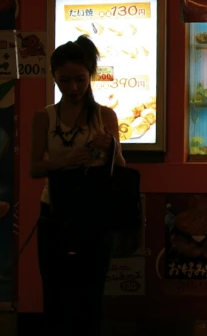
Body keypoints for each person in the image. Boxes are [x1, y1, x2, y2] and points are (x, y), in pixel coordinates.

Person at [28, 35, 125, 336]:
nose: (73, 88)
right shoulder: (44, 117)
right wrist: (68, 158)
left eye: (80, 80)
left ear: (90, 77)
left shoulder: (104, 116)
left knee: (91, 294)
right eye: (65, 80)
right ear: (54, 76)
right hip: (55, 212)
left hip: (95, 215)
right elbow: (34, 169)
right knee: (55, 293)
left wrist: (110, 147)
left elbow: (120, 168)